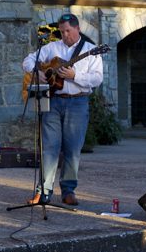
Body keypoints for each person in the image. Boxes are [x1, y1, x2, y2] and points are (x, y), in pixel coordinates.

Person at [22, 12, 103, 206]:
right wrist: (38, 72)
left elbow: (97, 78)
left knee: (72, 149)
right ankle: (43, 192)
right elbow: (27, 61)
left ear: (78, 29)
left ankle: (68, 190)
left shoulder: (92, 51)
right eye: (62, 31)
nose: (65, 34)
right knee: (49, 146)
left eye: (68, 30)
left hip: (78, 102)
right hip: (53, 101)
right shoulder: (52, 47)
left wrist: (75, 75)